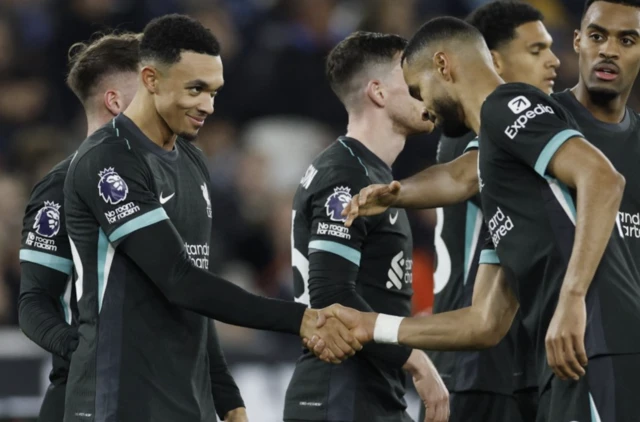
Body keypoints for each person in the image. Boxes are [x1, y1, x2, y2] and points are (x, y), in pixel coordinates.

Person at [313, 15, 640, 422]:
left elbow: (603, 178)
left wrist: (572, 298)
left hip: (599, 341)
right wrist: (370, 325)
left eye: (419, 89)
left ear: (444, 66)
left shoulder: (504, 106)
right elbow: (483, 322)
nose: (424, 108)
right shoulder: (500, 178)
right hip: (565, 359)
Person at [61, 15, 361, 422]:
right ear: (150, 79)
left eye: (214, 91)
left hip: (188, 400)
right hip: (118, 399)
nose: (209, 106)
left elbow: (198, 291)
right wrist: (300, 317)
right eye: (195, 89)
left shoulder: (191, 160)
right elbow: (178, 279)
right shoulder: (108, 160)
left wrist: (226, 396)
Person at [19, 32, 248, 422]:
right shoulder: (63, 184)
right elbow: (35, 302)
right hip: (88, 396)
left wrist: (226, 396)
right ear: (116, 101)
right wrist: (88, 351)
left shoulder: (184, 169)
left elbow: (191, 292)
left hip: (171, 395)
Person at [284, 31, 449, 422]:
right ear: (378, 92)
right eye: (412, 77)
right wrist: (415, 359)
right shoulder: (346, 175)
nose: (426, 87)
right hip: (338, 396)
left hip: (367, 394)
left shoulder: (367, 173)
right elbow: (331, 294)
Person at [418, 3, 558, 422]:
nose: (553, 61)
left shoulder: (501, 133)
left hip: (504, 360)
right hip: (479, 369)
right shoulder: (480, 138)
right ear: (493, 61)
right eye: (536, 51)